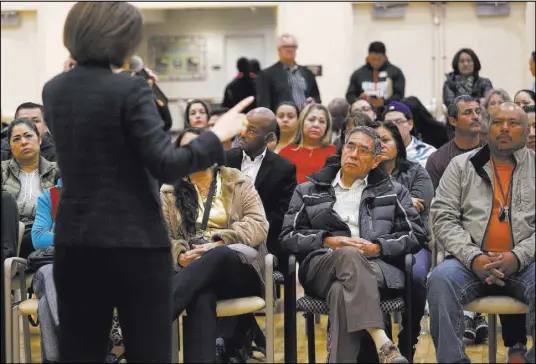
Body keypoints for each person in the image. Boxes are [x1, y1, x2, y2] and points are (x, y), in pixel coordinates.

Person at [40, 2, 252, 362]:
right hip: (136, 244)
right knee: (149, 353)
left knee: (81, 352)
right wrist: (217, 134)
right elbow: (168, 164)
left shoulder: (54, 90)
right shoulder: (130, 90)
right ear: (122, 38)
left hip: (76, 244)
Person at [280, 126, 426, 363]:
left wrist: (377, 247)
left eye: (363, 150)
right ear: (342, 149)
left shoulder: (394, 191)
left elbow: (416, 234)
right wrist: (326, 239)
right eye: (350, 146)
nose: (354, 154)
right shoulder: (308, 190)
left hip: (376, 267)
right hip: (321, 266)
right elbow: (287, 236)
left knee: (341, 291)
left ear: (375, 160)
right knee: (347, 254)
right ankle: (383, 343)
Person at [428, 102, 535, 363]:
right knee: (440, 280)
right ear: (488, 126)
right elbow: (442, 216)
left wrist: (518, 256)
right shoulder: (460, 165)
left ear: (526, 130)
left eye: (513, 123)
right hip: (469, 264)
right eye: (498, 122)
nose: (505, 129)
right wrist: (473, 257)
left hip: (527, 264)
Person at [162, 128, 268, 363]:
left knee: (218, 255)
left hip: (238, 267)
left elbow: (259, 224)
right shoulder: (169, 191)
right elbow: (161, 237)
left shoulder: (238, 181)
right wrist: (180, 255)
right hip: (194, 273)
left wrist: (219, 242)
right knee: (200, 296)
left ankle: (158, 311)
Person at [370, 122, 434, 360]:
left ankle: (410, 335)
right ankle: (383, 339)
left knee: (416, 276)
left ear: (398, 143)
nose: (380, 145)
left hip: (413, 242)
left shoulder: (416, 171)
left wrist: (386, 203)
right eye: (375, 140)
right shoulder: (362, 174)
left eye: (385, 139)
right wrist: (403, 202)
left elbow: (418, 209)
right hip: (374, 244)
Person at [225, 107, 297, 258]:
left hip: (263, 241)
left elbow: (282, 215)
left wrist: (249, 233)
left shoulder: (284, 169)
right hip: (222, 235)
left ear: (268, 137)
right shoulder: (224, 160)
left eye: (251, 131)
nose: (242, 134)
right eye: (243, 127)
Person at [1, 118, 58, 259]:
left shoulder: (57, 171)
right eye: (16, 139)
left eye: (28, 136)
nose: (24, 142)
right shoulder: (2, 170)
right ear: (10, 145)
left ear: (39, 140)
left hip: (40, 232)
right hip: (7, 231)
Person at [256, 33, 321, 112]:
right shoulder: (267, 75)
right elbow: (264, 105)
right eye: (286, 47)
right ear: (279, 50)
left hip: (305, 120)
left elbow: (317, 98)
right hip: (282, 120)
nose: (290, 49)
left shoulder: (307, 73)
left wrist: (313, 102)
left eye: (293, 47)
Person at [279, 103, 336, 183]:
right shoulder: (285, 153)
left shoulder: (333, 153)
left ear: (327, 127)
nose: (316, 125)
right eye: (311, 120)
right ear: (302, 122)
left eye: (322, 121)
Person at [346, 41, 406, 112]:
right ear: (368, 57)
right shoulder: (358, 74)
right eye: (373, 59)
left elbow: (399, 95)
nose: (376, 62)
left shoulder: (395, 72)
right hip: (363, 110)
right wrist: (360, 101)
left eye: (379, 59)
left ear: (384, 57)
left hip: (388, 110)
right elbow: (350, 95)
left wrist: (384, 102)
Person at [382, 101, 436, 167]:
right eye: (388, 123)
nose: (393, 126)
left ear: (410, 124)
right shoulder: (379, 153)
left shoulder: (429, 153)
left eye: (398, 122)